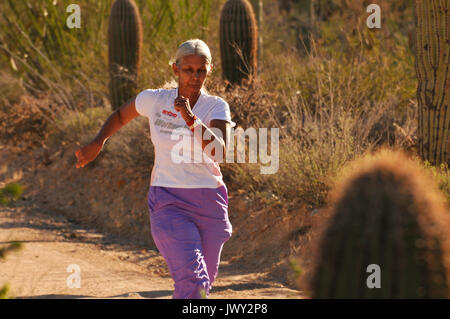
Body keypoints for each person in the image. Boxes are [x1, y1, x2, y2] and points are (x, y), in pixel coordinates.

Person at [75, 39, 235, 299]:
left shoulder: (216, 106)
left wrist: (190, 119)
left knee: (202, 287)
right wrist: (98, 141)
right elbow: (119, 115)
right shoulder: (154, 99)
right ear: (175, 69)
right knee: (193, 281)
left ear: (209, 71)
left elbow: (219, 151)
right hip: (169, 201)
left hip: (211, 202)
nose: (195, 76)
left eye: (201, 70)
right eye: (188, 70)